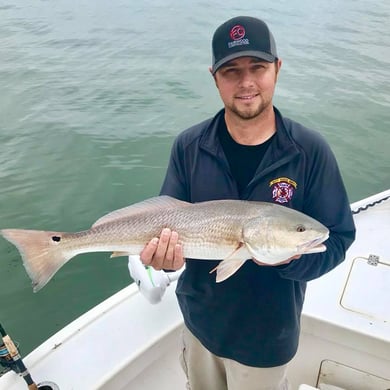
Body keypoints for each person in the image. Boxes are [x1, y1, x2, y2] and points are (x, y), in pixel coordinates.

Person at [140, 15, 356, 390]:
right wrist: (164, 258)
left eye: (258, 67)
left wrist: (293, 258)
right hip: (200, 323)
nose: (246, 83)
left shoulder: (309, 152)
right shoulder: (189, 146)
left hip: (268, 336)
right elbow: (166, 221)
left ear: (277, 69)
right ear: (214, 77)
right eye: (231, 71)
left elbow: (336, 236)